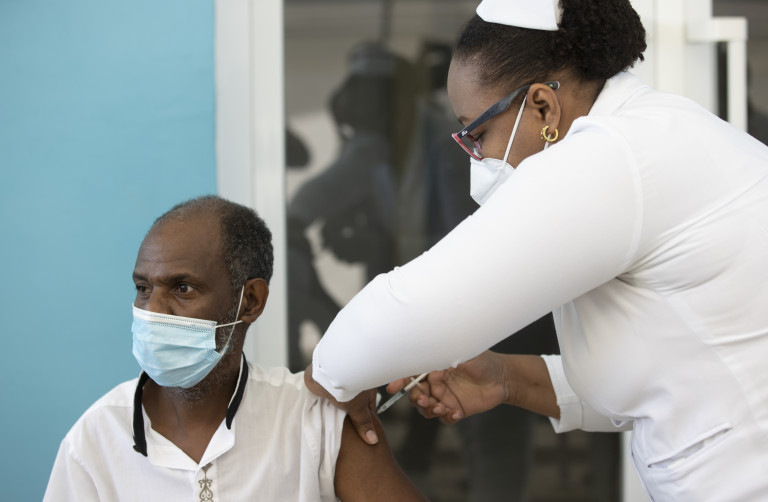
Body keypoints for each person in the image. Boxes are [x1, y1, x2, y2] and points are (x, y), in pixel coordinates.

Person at [303, 0, 768, 500]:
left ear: (543, 106)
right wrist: (506, 379)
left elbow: (414, 306)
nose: (477, 158)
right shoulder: (654, 130)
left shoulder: (613, 155)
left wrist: (323, 378)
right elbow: (667, 377)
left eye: (478, 134)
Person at [44, 195, 426, 502]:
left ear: (251, 301)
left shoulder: (313, 421)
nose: (152, 311)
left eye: (182, 288)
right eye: (143, 288)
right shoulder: (95, 440)